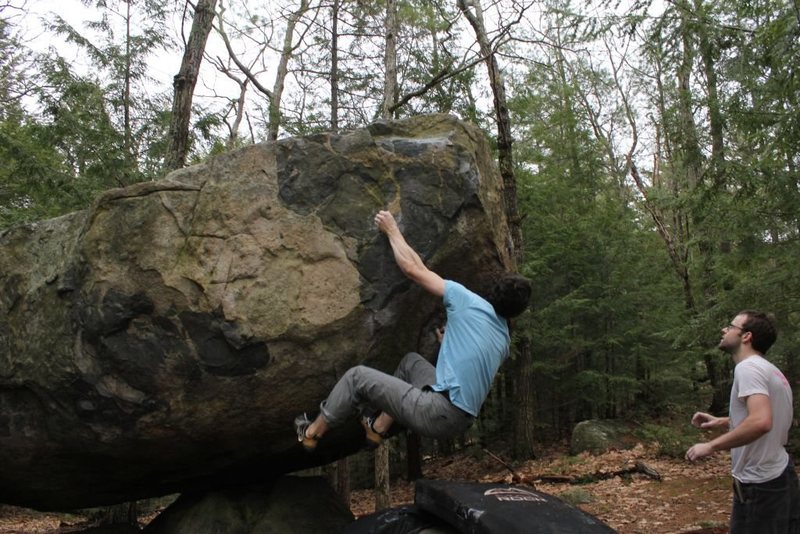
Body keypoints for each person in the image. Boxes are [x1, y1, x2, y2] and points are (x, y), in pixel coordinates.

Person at [294, 210, 531, 451]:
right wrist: (447, 343)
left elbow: (413, 270)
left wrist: (392, 230)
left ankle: (312, 432)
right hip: (460, 418)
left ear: (492, 289)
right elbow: (474, 362)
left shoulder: (467, 301)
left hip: (438, 410)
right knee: (411, 363)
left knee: (357, 377)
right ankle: (378, 428)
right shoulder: (503, 339)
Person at [685, 310, 799, 533]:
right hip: (780, 477)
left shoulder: (748, 368)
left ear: (746, 336)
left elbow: (761, 422)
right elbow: (770, 416)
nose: (724, 330)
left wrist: (710, 446)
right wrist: (723, 421)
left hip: (761, 487)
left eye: (730, 326)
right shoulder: (770, 370)